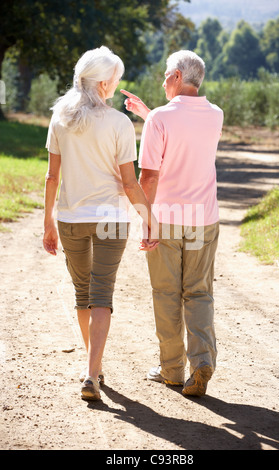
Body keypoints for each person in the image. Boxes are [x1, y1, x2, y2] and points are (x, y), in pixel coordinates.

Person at [43, 46, 157, 401]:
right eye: (117, 80)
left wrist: (47, 221)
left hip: (70, 218)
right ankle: (92, 372)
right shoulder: (120, 123)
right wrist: (148, 218)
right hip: (111, 219)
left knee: (83, 295)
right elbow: (129, 183)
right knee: (101, 295)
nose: (117, 84)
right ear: (105, 83)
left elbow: (51, 176)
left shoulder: (60, 116)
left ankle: (92, 369)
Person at [121, 50, 223, 397]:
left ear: (177, 76)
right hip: (203, 220)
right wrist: (148, 114)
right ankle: (202, 361)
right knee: (198, 292)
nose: (163, 81)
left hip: (165, 219)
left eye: (166, 75)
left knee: (166, 293)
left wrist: (146, 222)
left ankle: (171, 370)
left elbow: (148, 178)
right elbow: (186, 138)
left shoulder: (160, 121)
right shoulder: (215, 115)